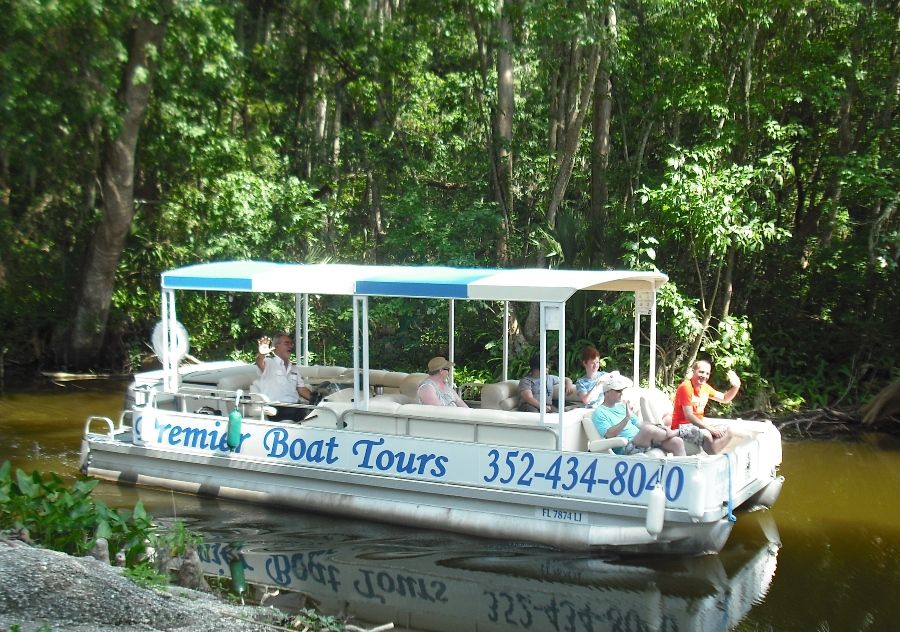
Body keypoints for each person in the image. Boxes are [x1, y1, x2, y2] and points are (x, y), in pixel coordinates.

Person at [591, 374, 686, 456]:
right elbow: (609, 435)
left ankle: (685, 474)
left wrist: (658, 427)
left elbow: (640, 424)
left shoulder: (622, 406)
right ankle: (681, 432)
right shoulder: (599, 412)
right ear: (607, 392)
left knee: (677, 442)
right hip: (626, 446)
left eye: (621, 391)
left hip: (642, 440)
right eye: (618, 391)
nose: (621, 393)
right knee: (648, 430)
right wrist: (626, 418)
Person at [670, 360, 741, 454]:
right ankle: (714, 456)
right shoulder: (685, 387)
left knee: (729, 430)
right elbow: (689, 416)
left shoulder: (705, 387)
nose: (704, 376)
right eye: (701, 372)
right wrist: (710, 428)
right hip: (681, 428)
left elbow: (725, 398)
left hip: (698, 426)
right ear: (693, 371)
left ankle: (713, 453)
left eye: (707, 373)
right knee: (707, 434)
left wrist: (736, 386)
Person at [255, 333, 314, 422]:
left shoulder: (294, 368)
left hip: (296, 407)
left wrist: (318, 400)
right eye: (286, 344)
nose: (290, 347)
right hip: (277, 408)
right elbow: (260, 362)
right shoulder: (269, 363)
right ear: (276, 346)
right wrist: (261, 354)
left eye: (291, 344)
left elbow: (302, 389)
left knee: (317, 415)